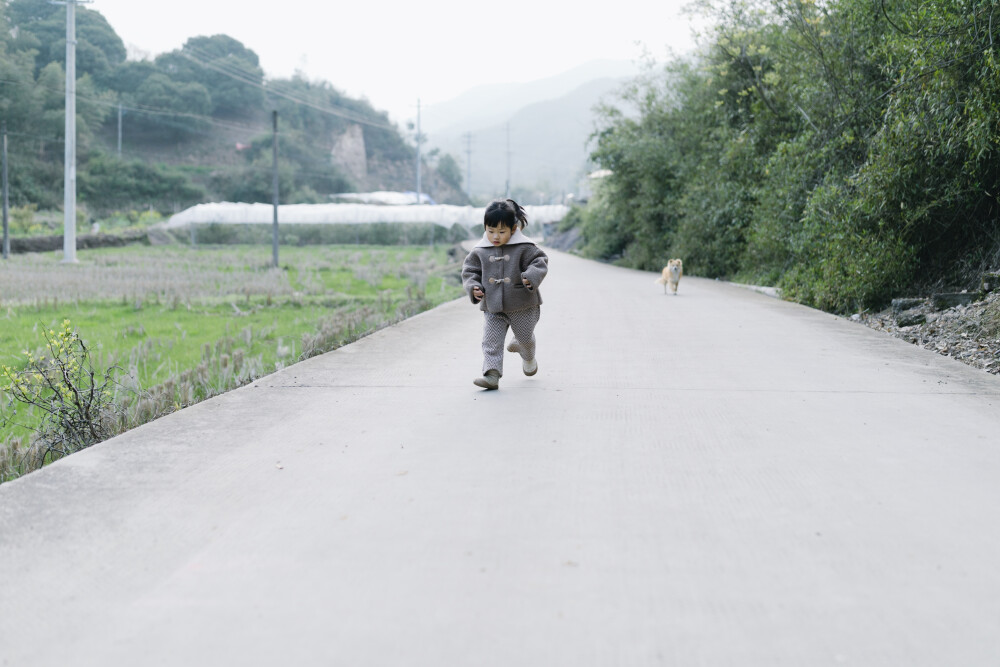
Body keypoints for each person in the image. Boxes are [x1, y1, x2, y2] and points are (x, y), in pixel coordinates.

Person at [462, 198, 549, 390]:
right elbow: (469, 271)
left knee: (525, 338)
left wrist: (530, 277)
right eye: (490, 231)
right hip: (493, 306)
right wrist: (473, 286)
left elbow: (540, 261)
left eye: (501, 232)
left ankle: (527, 354)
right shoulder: (480, 251)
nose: (495, 236)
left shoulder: (524, 247)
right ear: (485, 227)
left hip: (523, 304)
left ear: (514, 228)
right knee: (491, 341)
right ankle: (491, 375)